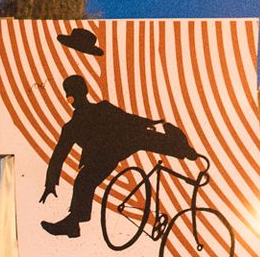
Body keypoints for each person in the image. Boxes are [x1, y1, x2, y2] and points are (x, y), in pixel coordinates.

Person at [39, 74, 199, 238]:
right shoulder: (74, 125)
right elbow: (59, 155)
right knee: (84, 179)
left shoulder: (98, 111)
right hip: (103, 158)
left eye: (72, 95)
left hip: (114, 149)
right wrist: (50, 184)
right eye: (71, 96)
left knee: (138, 137)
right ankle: (73, 223)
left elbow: (126, 119)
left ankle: (181, 148)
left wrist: (147, 123)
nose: (72, 99)